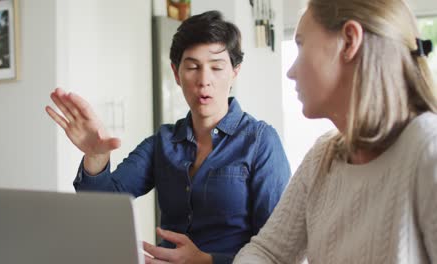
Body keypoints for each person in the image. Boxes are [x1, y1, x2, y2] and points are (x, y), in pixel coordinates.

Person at [45, 11, 291, 264]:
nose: (204, 80)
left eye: (216, 67)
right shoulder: (162, 143)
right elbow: (102, 210)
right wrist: (96, 157)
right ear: (176, 73)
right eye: (193, 67)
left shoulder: (261, 141)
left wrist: (206, 260)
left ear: (234, 72)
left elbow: (280, 252)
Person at [234, 0, 437, 263]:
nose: (291, 72)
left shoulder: (427, 149)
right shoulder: (323, 156)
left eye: (301, 44)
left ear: (349, 41)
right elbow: (266, 252)